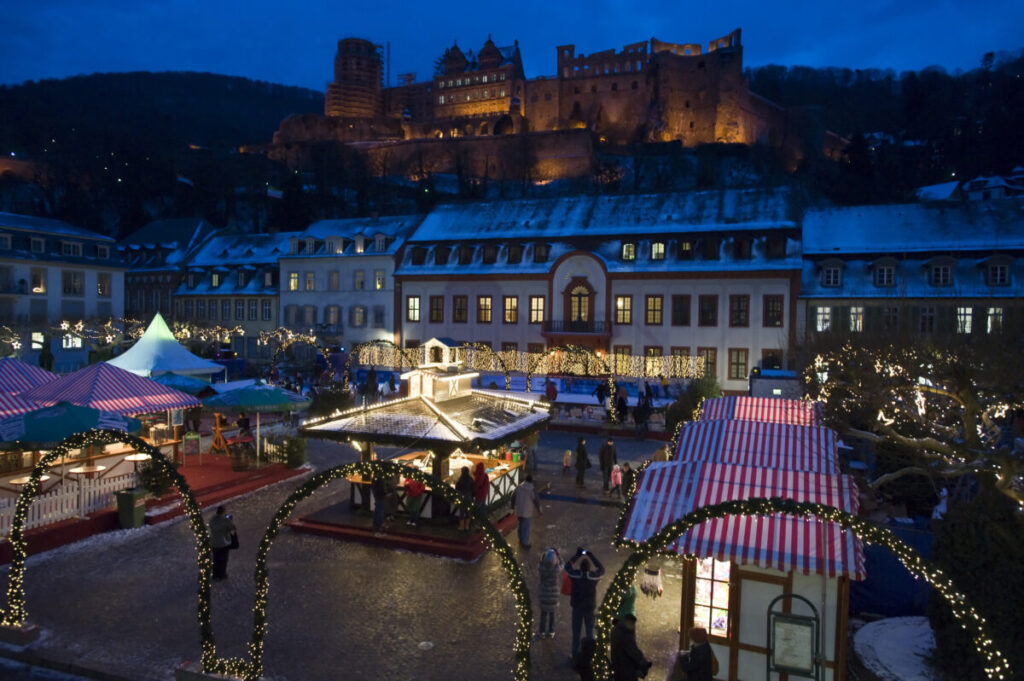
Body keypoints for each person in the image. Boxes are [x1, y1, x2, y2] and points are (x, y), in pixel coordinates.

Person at [565, 547, 605, 662]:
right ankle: (590, 655)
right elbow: (601, 569)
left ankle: (575, 654)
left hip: (577, 607)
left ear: (580, 568)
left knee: (576, 633)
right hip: (590, 607)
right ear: (589, 568)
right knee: (590, 632)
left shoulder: (575, 575)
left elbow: (568, 566)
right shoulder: (593, 577)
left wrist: (577, 555)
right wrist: (591, 556)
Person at [609, 613, 651, 681]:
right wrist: (642, 661)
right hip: (625, 669)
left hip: (617, 666)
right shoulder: (626, 635)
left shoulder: (616, 630)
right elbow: (634, 652)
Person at [537, 548, 563, 639]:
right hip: (553, 597)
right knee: (552, 614)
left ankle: (542, 631)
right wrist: (558, 555)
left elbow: (540, 563)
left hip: (544, 595)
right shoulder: (556, 569)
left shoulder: (542, 569)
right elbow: (562, 564)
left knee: (543, 614)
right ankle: (551, 631)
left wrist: (544, 554)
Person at [513, 474, 542, 548]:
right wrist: (539, 510)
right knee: (526, 527)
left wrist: (512, 506)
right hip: (527, 511)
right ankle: (525, 543)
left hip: (519, 510)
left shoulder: (518, 487)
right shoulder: (532, 489)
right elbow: (536, 500)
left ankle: (520, 538)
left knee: (520, 525)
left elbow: (513, 496)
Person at [208, 506, 236, 580]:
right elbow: (232, 528)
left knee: (216, 559)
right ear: (223, 511)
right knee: (223, 559)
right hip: (224, 543)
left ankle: (215, 574)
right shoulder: (226, 520)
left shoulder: (212, 519)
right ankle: (222, 574)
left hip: (214, 542)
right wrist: (230, 520)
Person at [455, 466, 475, 532]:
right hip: (469, 497)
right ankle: (467, 526)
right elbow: (473, 488)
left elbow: (457, 487)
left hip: (462, 497)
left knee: (462, 512)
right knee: (468, 512)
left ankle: (461, 526)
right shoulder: (470, 479)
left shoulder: (460, 479)